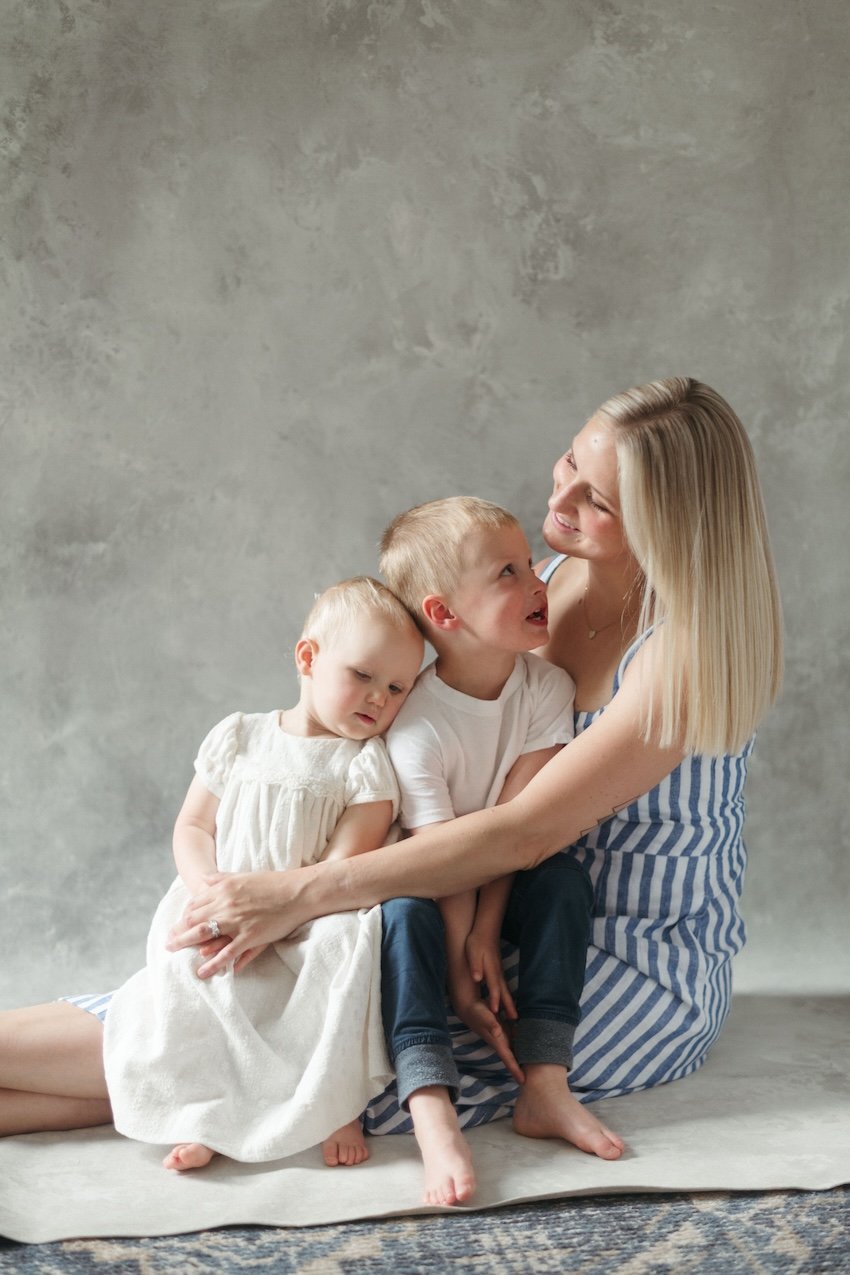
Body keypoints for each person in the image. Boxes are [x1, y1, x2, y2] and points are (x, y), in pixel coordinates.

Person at [0, 378, 782, 1201]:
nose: (560, 499)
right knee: (259, 1012)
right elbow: (423, 736)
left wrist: (300, 892)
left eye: (599, 502)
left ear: (667, 524)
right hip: (481, 905)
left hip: (613, 955)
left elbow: (525, 832)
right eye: (569, 464)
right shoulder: (542, 585)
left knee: (318, 1057)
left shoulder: (686, 649)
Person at [95, 577, 423, 1171]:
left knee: (344, 951)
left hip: (310, 914)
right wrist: (209, 891)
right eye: (363, 675)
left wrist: (279, 914)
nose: (379, 698)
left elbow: (343, 866)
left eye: (397, 688)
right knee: (187, 978)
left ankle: (333, 1100)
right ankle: (202, 1113)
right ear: (308, 658)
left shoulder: (365, 764)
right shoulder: (242, 736)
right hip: (222, 901)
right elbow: (193, 826)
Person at [376, 496, 625, 1206]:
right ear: (445, 613)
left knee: (562, 878)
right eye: (508, 573)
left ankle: (545, 1080)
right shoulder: (417, 727)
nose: (539, 582)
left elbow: (517, 828)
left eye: (529, 565)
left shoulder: (546, 687)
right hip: (431, 881)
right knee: (403, 914)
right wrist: (461, 968)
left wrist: (487, 932)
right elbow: (442, 861)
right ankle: (431, 1102)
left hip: (501, 869)